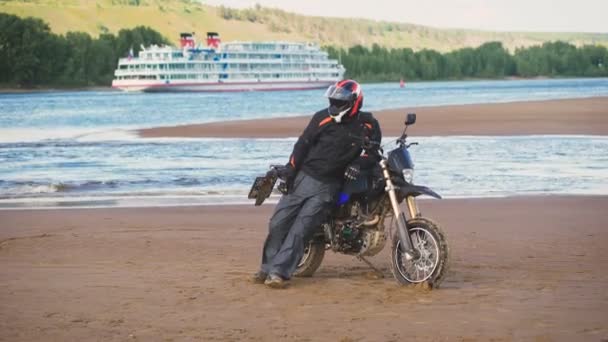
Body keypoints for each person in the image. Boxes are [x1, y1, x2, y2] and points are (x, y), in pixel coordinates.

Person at [251, 79, 382, 288]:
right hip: (303, 178)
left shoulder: (368, 124)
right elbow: (301, 145)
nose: (335, 105)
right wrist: (290, 172)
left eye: (340, 102)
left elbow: (374, 152)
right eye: (333, 100)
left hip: (329, 187)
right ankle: (266, 268)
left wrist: (359, 163)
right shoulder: (321, 118)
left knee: (301, 229)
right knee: (278, 223)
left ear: (355, 102)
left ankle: (279, 273)